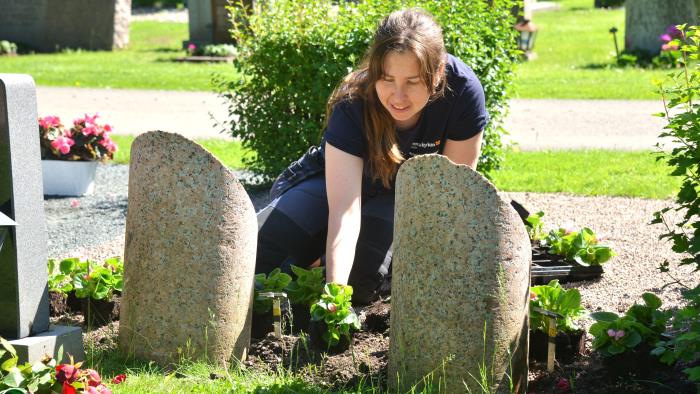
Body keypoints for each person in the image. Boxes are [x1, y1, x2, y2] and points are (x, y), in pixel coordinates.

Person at [256, 8, 488, 305]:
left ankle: (324, 262)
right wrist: (334, 298)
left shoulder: (463, 92)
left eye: (413, 82)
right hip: (333, 186)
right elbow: (345, 211)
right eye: (387, 79)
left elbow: (448, 200)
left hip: (403, 197)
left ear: (437, 73)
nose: (398, 96)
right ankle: (314, 260)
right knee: (261, 251)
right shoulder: (353, 100)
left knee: (361, 282)